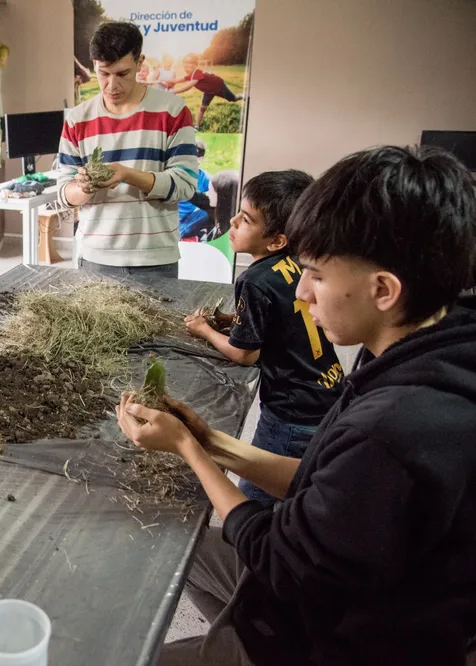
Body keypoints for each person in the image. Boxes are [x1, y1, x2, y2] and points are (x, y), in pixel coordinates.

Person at [117, 146, 476, 665]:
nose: (303, 293)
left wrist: (187, 453)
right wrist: (209, 441)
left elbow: (276, 557)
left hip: (328, 637)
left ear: (383, 289)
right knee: (185, 548)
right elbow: (322, 481)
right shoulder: (428, 345)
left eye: (318, 275)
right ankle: (228, 632)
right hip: (335, 595)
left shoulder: (394, 430)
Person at [184, 170, 343, 505]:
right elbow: (281, 315)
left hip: (291, 411)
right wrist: (232, 319)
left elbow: (245, 354)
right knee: (300, 480)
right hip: (327, 391)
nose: (233, 222)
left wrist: (205, 330)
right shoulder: (296, 264)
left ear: (276, 241)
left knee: (259, 495)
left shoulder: (254, 280)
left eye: (246, 219)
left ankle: (256, 547)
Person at [58, 21, 198, 277]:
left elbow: (186, 185)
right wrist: (83, 187)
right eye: (103, 73)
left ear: (139, 62)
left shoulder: (173, 111)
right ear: (94, 66)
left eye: (122, 74)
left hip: (154, 259)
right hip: (94, 258)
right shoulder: (77, 119)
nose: (112, 85)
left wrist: (127, 174)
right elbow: (64, 193)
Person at [168, 53, 245, 129]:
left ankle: (242, 95)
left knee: (233, 99)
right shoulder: (190, 75)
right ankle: (197, 126)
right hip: (208, 91)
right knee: (202, 108)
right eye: (185, 65)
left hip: (219, 87)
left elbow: (188, 86)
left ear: (195, 65)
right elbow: (178, 80)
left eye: (190, 64)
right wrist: (165, 80)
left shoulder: (197, 73)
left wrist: (174, 91)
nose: (187, 67)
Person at [178, 139, 215, 240]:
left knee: (213, 211)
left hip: (190, 218)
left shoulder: (204, 178)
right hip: (170, 218)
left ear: (200, 159)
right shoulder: (176, 174)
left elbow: (216, 199)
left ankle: (206, 234)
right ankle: (178, 234)